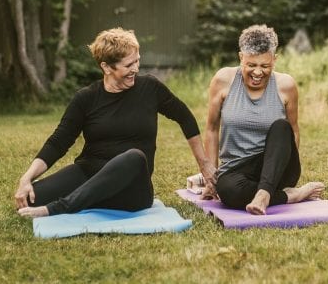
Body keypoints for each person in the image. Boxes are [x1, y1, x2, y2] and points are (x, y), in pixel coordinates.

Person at [14, 28, 216, 218]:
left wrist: (204, 164)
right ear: (106, 67)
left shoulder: (150, 88)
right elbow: (58, 142)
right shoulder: (86, 98)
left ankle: (61, 207)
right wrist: (27, 178)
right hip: (90, 173)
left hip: (132, 188)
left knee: (134, 157)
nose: (135, 69)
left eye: (137, 61)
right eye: (128, 65)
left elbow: (185, 117)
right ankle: (88, 198)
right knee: (31, 199)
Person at [202, 24, 324, 215]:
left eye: (265, 66)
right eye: (251, 65)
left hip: (275, 168)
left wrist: (280, 169)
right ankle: (291, 196)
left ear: (274, 60)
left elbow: (293, 133)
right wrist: (210, 177)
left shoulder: (286, 85)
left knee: (282, 127)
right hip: (237, 169)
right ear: (241, 57)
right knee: (227, 191)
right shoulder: (223, 80)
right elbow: (211, 129)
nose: (258, 72)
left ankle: (265, 193)